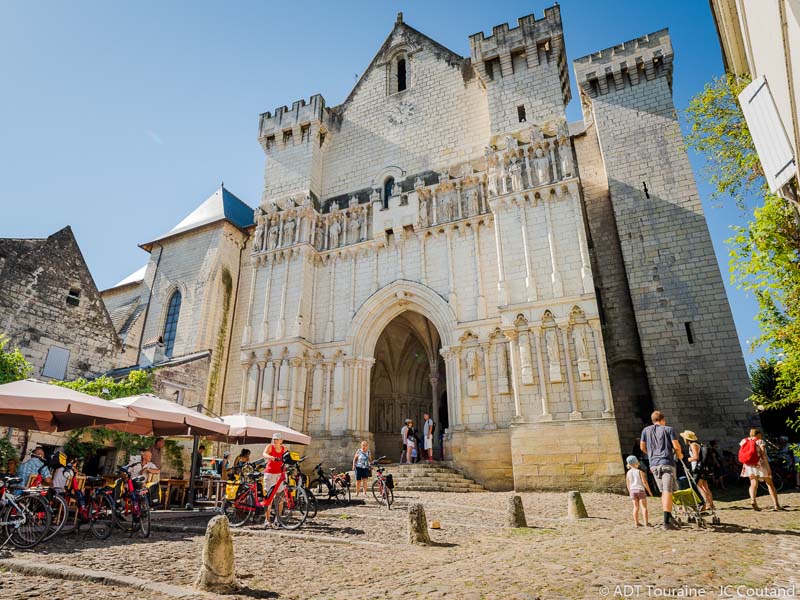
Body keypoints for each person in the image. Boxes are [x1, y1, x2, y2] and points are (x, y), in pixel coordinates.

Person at [640, 410, 683, 530]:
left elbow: (642, 447)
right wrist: (679, 455)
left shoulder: (645, 430)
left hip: (654, 465)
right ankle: (667, 521)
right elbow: (676, 446)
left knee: (663, 492)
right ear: (663, 420)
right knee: (667, 491)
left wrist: (652, 454)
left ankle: (669, 516)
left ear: (653, 420)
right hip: (667, 462)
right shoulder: (668, 429)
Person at [740, 429, 784, 511]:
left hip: (748, 465)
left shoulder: (743, 441)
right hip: (760, 464)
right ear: (758, 434)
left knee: (753, 483)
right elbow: (764, 455)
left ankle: (753, 500)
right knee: (769, 483)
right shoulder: (760, 441)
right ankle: (776, 504)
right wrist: (768, 467)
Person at [680, 430, 714, 511]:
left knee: (698, 487)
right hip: (703, 468)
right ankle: (710, 504)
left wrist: (688, 459)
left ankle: (705, 504)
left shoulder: (693, 445)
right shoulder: (698, 444)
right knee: (705, 487)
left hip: (698, 469)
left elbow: (696, 457)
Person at [262, 433, 285, 528]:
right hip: (270, 474)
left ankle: (278, 519)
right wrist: (271, 457)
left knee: (280, 498)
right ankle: (267, 520)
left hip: (280, 474)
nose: (275, 441)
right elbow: (264, 454)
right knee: (269, 498)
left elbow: (289, 457)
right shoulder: (270, 447)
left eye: (277, 439)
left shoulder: (284, 449)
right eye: (274, 439)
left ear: (281, 441)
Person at [625, 455, 652, 527]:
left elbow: (628, 484)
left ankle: (636, 523)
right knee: (644, 507)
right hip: (640, 490)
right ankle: (646, 522)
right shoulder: (640, 472)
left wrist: (630, 492)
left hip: (632, 491)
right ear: (636, 463)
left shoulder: (628, 473)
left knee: (635, 507)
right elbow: (644, 482)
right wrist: (649, 492)